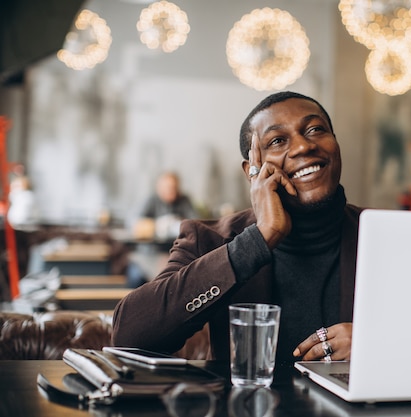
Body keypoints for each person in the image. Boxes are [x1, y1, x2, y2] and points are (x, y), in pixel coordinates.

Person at [112, 91, 363, 364]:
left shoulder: (388, 235)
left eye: (315, 130)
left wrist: (374, 342)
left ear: (335, 144)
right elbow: (129, 335)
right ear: (252, 171)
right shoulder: (209, 239)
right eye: (278, 140)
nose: (303, 147)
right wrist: (258, 240)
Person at [126, 172, 198, 287]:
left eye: (174, 187)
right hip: (149, 253)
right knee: (136, 276)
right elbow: (133, 222)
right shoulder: (151, 200)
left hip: (175, 254)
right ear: (159, 188)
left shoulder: (184, 200)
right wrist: (157, 225)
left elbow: (195, 224)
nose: (171, 191)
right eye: (168, 187)